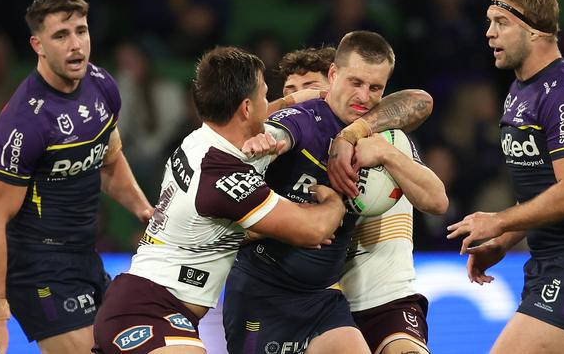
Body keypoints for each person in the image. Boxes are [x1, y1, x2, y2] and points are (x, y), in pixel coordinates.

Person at [92, 46, 346, 354]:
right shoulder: (223, 177)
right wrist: (334, 200)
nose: (271, 104)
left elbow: (251, 125)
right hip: (147, 311)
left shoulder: (200, 141)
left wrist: (292, 102)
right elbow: (313, 230)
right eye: (265, 96)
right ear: (246, 108)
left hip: (148, 305)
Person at [222, 31, 434, 354]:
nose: (363, 95)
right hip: (263, 293)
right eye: (355, 83)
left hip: (327, 298)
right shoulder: (305, 121)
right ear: (333, 78)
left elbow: (422, 104)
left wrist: (355, 138)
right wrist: (264, 137)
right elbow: (280, 131)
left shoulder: (384, 137)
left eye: (374, 87)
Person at [0, 0, 154, 354]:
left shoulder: (102, 85)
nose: (76, 45)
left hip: (85, 256)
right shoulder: (23, 123)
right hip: (38, 269)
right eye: (61, 35)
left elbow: (110, 161)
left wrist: (145, 211)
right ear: (37, 44)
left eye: (81, 31)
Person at [446, 0, 564, 353]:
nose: (489, 33)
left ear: (535, 30)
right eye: (490, 22)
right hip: (548, 263)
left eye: (501, 23)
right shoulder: (520, 90)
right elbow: (544, 190)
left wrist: (500, 221)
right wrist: (503, 240)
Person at [279, 46, 449, 354]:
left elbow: (437, 201)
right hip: (316, 305)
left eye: (311, 88)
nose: (304, 96)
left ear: (332, 81)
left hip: (386, 300)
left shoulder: (385, 134)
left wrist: (380, 151)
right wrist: (288, 103)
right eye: (291, 90)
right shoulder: (291, 150)